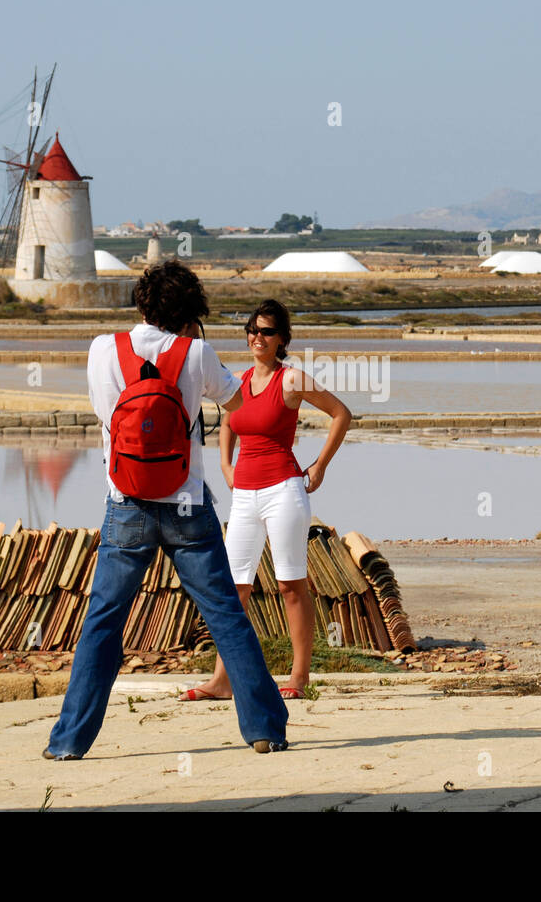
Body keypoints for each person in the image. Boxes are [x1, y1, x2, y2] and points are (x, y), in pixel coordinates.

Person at [44, 261, 289, 759]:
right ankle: (264, 730)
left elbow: (104, 414)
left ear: (141, 303)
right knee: (225, 615)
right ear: (190, 312)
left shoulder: (101, 349)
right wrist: (195, 356)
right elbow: (240, 403)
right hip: (186, 504)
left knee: (104, 622)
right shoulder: (196, 352)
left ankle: (69, 742)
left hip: (125, 502)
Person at [179, 299, 351, 703]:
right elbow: (229, 423)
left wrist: (320, 466)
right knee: (233, 589)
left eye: (267, 331)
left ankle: (299, 675)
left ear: (282, 340)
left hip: (284, 492)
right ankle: (222, 680)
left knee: (290, 585)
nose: (257, 337)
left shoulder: (292, 380)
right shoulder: (235, 382)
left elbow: (341, 414)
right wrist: (225, 464)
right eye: (252, 330)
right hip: (244, 497)